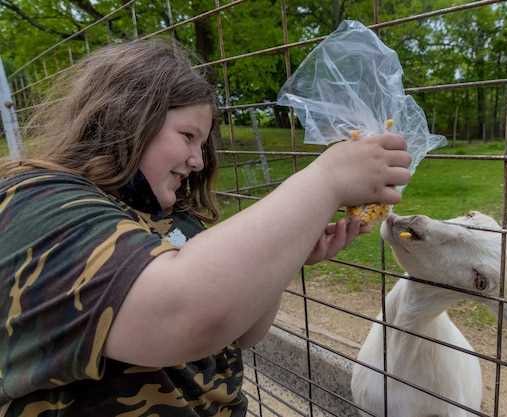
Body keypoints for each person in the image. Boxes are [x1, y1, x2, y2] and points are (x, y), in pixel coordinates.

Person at [0, 39, 411, 416]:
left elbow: (243, 332)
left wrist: (288, 255)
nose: (198, 160)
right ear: (126, 117)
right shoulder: (35, 201)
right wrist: (327, 180)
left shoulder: (177, 219)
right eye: (187, 136)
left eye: (203, 144)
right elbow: (182, 315)